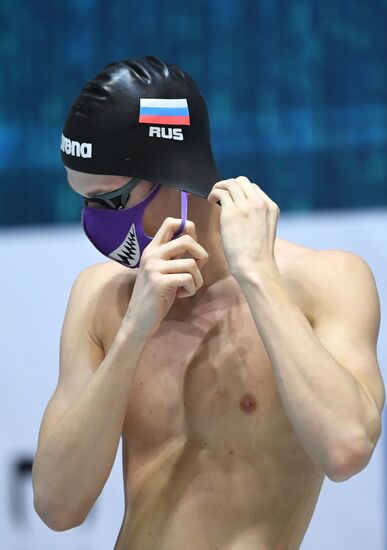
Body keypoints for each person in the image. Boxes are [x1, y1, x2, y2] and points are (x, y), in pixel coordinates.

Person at [32, 57, 385, 550]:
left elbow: (347, 446)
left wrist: (258, 277)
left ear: (176, 177)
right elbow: (56, 505)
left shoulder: (324, 281)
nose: (92, 221)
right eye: (82, 200)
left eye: (108, 201)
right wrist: (133, 334)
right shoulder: (100, 297)